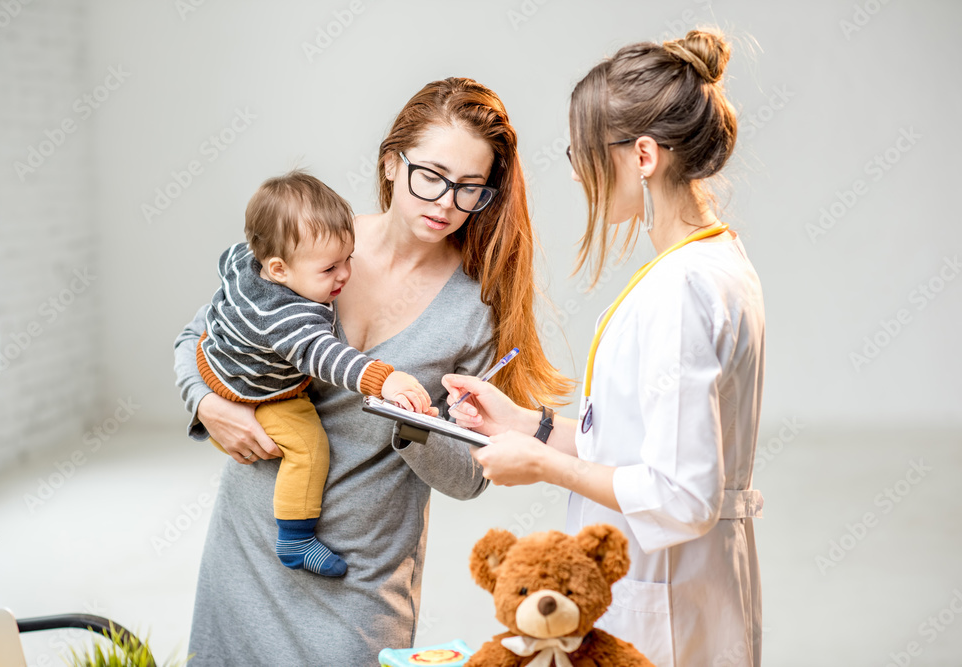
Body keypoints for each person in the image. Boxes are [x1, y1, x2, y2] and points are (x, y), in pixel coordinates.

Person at [173, 77, 572, 665]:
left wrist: (415, 425)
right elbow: (199, 335)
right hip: (248, 544)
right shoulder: (311, 238)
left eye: (469, 188)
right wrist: (208, 407)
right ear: (391, 164)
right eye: (431, 176)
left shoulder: (474, 310)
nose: (445, 203)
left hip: (360, 577)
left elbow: (468, 478)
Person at [444, 30, 766, 666]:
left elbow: (681, 495)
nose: (576, 170)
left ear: (643, 155)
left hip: (670, 602)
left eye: (582, 151)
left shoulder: (684, 289)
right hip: (674, 588)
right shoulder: (705, 265)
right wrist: (528, 427)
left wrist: (540, 466)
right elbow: (632, 446)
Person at [196, 169, 435, 577]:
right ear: (278, 269)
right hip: (257, 389)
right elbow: (327, 356)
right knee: (309, 447)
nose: (344, 275)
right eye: (329, 270)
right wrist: (386, 379)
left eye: (348, 260)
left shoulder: (241, 259)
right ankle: (295, 538)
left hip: (214, 353)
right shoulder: (288, 317)